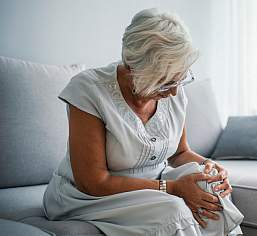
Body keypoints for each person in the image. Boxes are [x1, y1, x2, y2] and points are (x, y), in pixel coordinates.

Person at [42, 7, 243, 236]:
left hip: (153, 183)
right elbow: (94, 182)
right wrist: (173, 188)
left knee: (209, 190)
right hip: (87, 196)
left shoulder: (174, 91)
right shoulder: (89, 90)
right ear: (133, 70)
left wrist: (211, 167)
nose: (174, 92)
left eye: (180, 79)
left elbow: (179, 153)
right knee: (173, 210)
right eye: (165, 83)